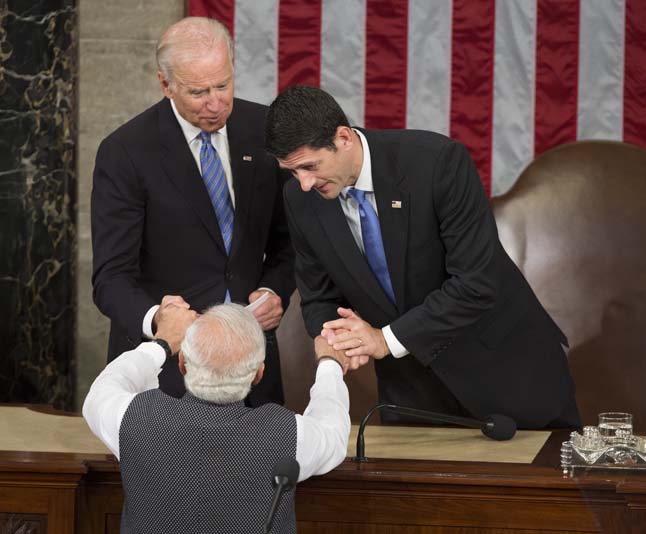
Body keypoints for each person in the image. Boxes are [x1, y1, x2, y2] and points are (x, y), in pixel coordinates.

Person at [266, 85, 580, 430]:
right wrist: (332, 341)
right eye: (292, 171)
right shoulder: (299, 199)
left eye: (310, 166)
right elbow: (318, 296)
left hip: (505, 372)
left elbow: (476, 282)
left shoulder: (436, 163)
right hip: (411, 393)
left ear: (343, 138)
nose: (305, 183)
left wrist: (383, 340)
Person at [91, 17, 294, 406]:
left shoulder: (263, 129)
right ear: (165, 85)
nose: (216, 103)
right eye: (198, 92)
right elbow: (111, 279)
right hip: (164, 374)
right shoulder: (126, 152)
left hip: (252, 368)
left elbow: (290, 242)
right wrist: (161, 323)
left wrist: (274, 289)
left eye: (223, 85)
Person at [83, 303, 350, 534]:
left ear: (183, 364)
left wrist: (162, 343)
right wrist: (330, 363)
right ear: (259, 374)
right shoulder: (289, 434)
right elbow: (333, 431)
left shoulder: (134, 419)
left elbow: (104, 389)